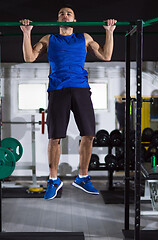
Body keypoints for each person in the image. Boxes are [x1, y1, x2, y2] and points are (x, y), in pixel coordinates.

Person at [20, 6, 117, 200]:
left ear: (74, 20)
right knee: (55, 137)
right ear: (58, 20)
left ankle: (82, 176)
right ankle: (53, 179)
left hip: (81, 88)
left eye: (69, 13)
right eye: (61, 14)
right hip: (58, 90)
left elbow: (106, 56)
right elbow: (29, 58)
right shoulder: (49, 39)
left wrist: (109, 32)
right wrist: (27, 33)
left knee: (89, 134)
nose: (65, 15)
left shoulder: (85, 38)